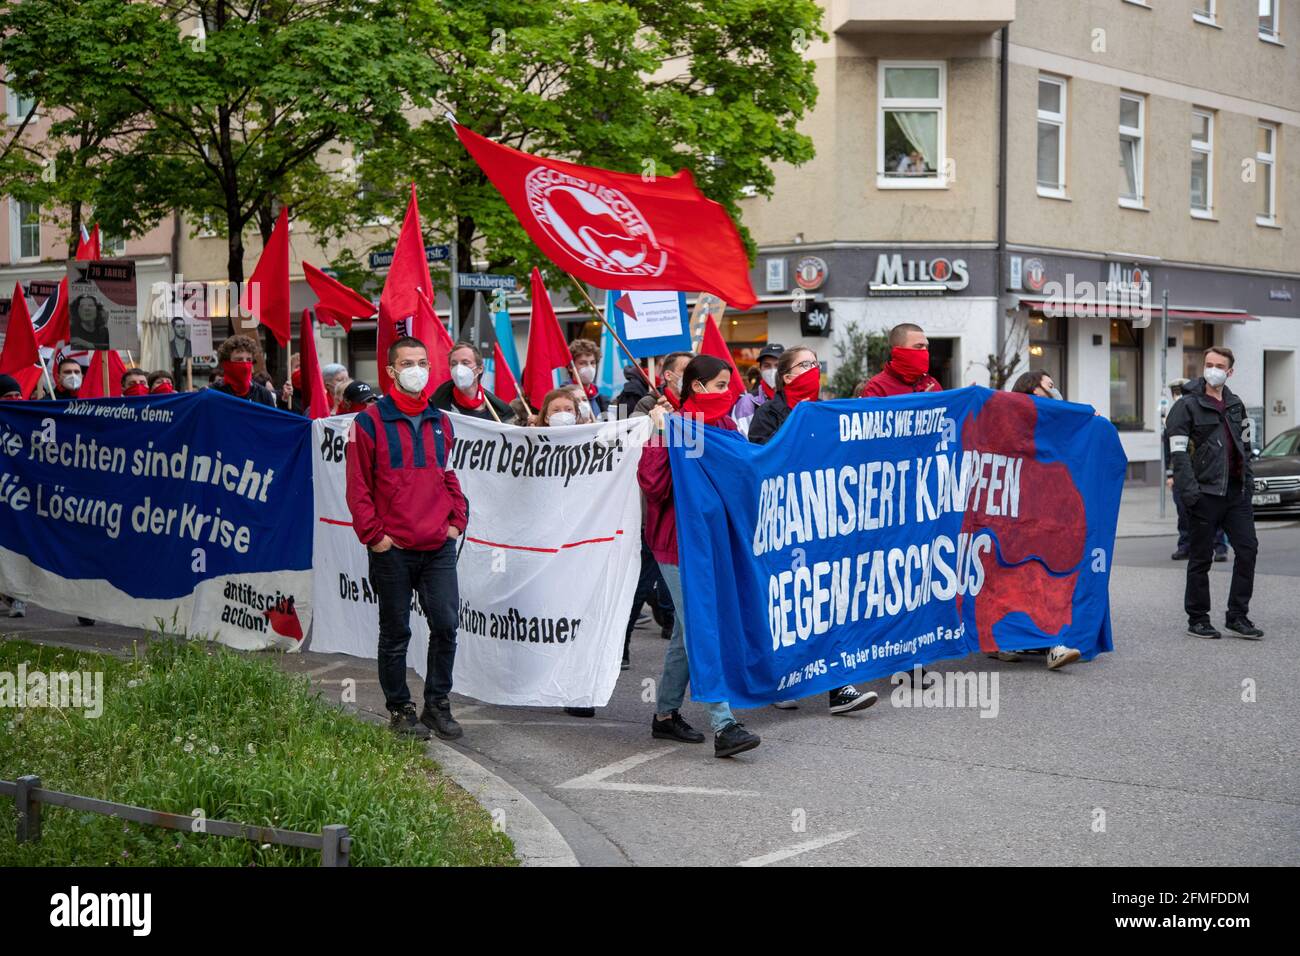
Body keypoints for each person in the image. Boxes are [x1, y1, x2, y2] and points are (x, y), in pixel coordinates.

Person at [345, 335, 469, 739]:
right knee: (396, 632)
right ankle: (400, 710)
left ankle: (437, 704)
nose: (417, 369)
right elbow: (358, 486)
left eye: (423, 362)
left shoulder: (441, 421)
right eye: (408, 363)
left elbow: (446, 474)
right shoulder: (367, 423)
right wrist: (375, 537)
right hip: (392, 549)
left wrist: (457, 520)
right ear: (391, 371)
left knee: (447, 625)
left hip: (437, 546)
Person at [642, 354, 760, 758]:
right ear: (698, 388)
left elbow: (745, 473)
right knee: (701, 626)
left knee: (687, 631)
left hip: (714, 540)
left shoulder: (725, 425)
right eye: (722, 385)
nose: (729, 393)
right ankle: (724, 722)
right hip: (676, 546)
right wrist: (660, 435)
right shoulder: (672, 426)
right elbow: (653, 486)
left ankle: (664, 715)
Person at [750, 347, 880, 714]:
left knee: (831, 600)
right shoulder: (768, 414)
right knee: (790, 603)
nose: (814, 369)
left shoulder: (828, 411)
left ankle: (838, 687)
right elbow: (760, 462)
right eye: (805, 364)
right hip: (786, 524)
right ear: (787, 376)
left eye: (815, 363)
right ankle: (781, 678)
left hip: (824, 523)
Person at [986, 370, 1083, 671]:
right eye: (1050, 386)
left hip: (1044, 508)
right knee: (1012, 575)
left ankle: (1052, 641)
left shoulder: (1053, 420)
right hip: (1014, 509)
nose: (1056, 392)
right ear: (1032, 388)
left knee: (1044, 572)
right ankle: (1005, 640)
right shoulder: (1008, 416)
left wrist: (1083, 418)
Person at [1166, 346, 1263, 641]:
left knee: (1247, 550)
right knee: (1201, 557)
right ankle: (1198, 618)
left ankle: (1237, 616)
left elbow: (1245, 447)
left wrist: (1247, 484)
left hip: (1236, 495)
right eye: (1209, 364)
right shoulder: (1187, 405)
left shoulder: (1236, 406)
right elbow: (1178, 454)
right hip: (1204, 493)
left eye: (1219, 365)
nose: (1213, 369)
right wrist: (1190, 492)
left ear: (1230, 371)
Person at [1163, 378, 1228, 563]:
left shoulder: (1200, 415)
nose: (1177, 396)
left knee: (1213, 513)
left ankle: (1219, 547)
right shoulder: (1174, 417)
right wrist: (1170, 474)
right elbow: (1170, 451)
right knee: (1183, 514)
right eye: (1175, 392)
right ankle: (1185, 546)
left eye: (1180, 392)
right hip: (1181, 475)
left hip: (1204, 473)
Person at [431, 342, 514, 422]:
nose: (458, 368)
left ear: (480, 368)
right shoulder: (436, 406)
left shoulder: (500, 411)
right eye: (454, 364)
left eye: (465, 363)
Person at [860, 323, 941, 397]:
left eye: (926, 347)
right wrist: (919, 403)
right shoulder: (877, 387)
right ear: (898, 351)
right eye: (919, 346)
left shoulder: (931, 383)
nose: (924, 351)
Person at [731, 342, 784, 436]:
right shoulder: (747, 402)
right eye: (767, 366)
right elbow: (743, 440)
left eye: (777, 365)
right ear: (760, 369)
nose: (772, 370)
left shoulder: (794, 398)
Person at [210, 335, 276, 406]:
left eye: (248, 360)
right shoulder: (212, 394)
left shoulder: (264, 395)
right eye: (239, 360)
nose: (245, 365)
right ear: (226, 364)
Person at [568, 338, 609, 417]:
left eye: (592, 363)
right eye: (582, 363)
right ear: (570, 367)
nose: (589, 367)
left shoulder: (600, 398)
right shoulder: (563, 396)